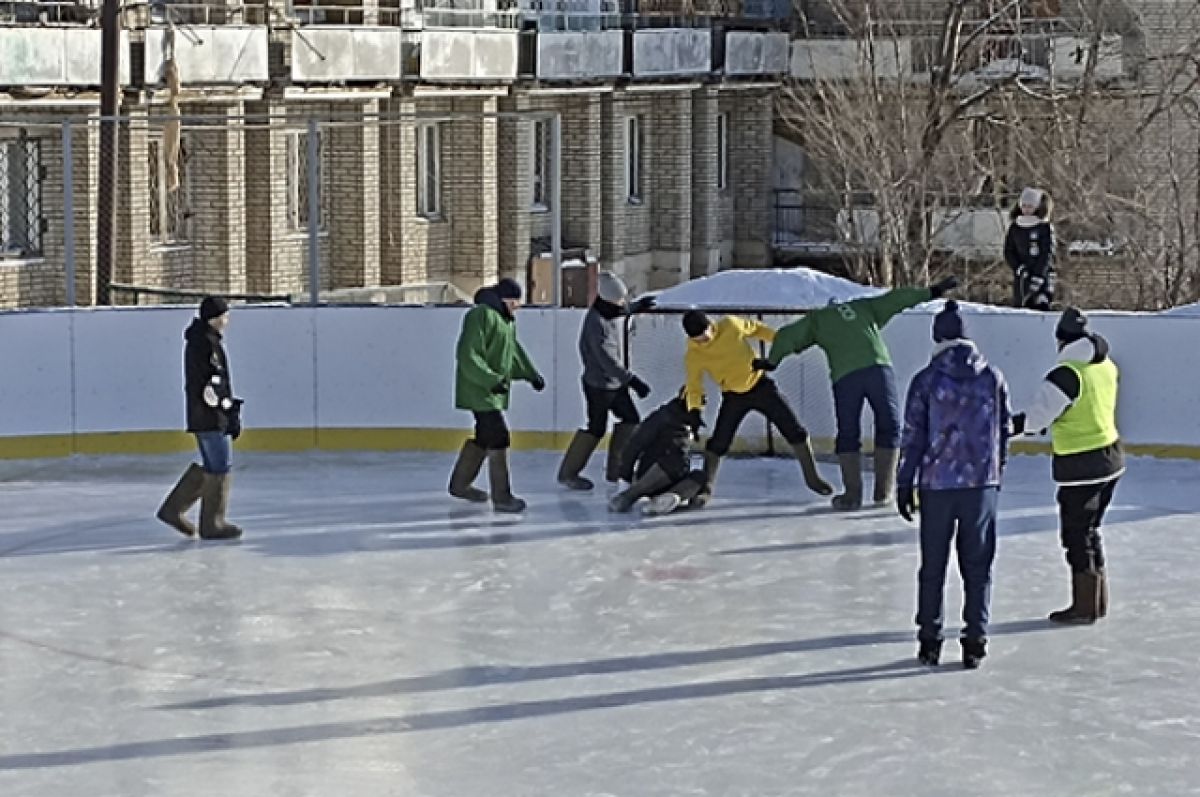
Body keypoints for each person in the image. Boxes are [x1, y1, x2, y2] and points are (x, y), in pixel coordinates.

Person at [756, 276, 959, 510]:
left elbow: (787, 336)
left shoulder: (817, 319)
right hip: (878, 369)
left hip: (845, 377)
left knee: (848, 431)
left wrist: (772, 361)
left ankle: (852, 495)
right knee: (890, 425)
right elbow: (895, 299)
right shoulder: (862, 307)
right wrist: (932, 291)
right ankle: (883, 492)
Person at [896, 300, 1011, 670]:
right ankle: (975, 639)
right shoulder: (992, 376)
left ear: (936, 337)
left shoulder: (926, 380)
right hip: (981, 485)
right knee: (978, 565)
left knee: (933, 565)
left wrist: (903, 482)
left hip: (936, 485)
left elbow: (913, 436)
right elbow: (1004, 431)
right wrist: (996, 472)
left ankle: (929, 640)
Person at [1013, 307, 1123, 624]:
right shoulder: (1105, 365)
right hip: (1110, 456)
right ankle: (1097, 602)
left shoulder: (1066, 375)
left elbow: (1035, 420)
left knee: (1076, 535)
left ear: (1060, 339)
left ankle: (1085, 606)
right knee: (1091, 531)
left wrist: (1005, 427)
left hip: (1082, 464)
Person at [682, 310, 831, 506]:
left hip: (761, 386)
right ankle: (706, 489)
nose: (705, 339)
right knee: (718, 442)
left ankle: (813, 479)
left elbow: (757, 329)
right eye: (699, 339)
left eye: (705, 333)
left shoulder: (731, 325)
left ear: (710, 324)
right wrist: (694, 410)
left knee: (794, 428)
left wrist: (780, 343)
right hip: (733, 396)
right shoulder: (694, 355)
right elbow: (694, 385)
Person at [449, 278, 546, 513]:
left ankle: (460, 485)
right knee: (499, 436)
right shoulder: (480, 316)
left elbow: (513, 353)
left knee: (485, 437)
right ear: (504, 299)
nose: (518, 307)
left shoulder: (506, 321)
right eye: (515, 301)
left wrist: (531, 374)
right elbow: (468, 355)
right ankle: (502, 497)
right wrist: (490, 381)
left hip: (491, 390)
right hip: (478, 390)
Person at [558, 271, 655, 491]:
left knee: (631, 420)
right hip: (598, 386)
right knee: (596, 428)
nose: (623, 302)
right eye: (620, 299)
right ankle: (569, 473)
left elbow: (619, 311)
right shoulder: (596, 324)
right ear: (607, 299)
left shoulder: (607, 311)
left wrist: (635, 307)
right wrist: (633, 381)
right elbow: (607, 361)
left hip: (614, 384)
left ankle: (617, 470)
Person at [156, 296, 244, 540]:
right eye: (225, 315)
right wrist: (228, 411)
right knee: (220, 467)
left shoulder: (200, 340)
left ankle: (172, 510)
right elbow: (212, 385)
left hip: (200, 415)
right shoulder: (206, 343)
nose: (227, 320)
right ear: (215, 318)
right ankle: (212, 524)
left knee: (212, 466)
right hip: (209, 416)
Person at [608, 388, 709, 515]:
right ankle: (629, 495)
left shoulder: (691, 420)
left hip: (674, 475)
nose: (703, 404)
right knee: (674, 461)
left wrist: (696, 493)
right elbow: (634, 445)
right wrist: (624, 479)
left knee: (700, 475)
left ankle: (670, 498)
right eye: (700, 399)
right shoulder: (663, 417)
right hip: (652, 471)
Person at [1004, 187, 1056, 310]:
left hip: (1041, 277)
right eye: (1024, 206)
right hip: (1022, 276)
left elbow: (1047, 253)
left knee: (1039, 305)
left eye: (1030, 206)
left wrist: (1038, 275)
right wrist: (1018, 267)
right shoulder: (1015, 227)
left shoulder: (1044, 227)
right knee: (1021, 305)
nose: (1026, 210)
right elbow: (1009, 250)